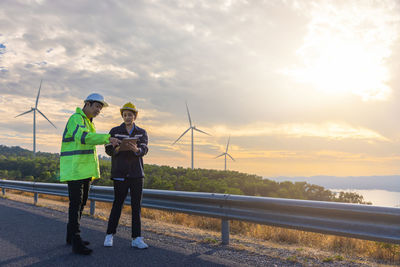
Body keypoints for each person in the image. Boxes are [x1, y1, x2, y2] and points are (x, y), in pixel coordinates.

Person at [60, 93, 120, 255]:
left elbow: (91, 140)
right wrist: (108, 138)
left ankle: (70, 236)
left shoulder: (88, 122)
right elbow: (83, 137)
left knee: (80, 204)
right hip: (74, 170)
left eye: (100, 108)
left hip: (84, 171)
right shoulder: (76, 119)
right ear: (87, 104)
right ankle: (76, 241)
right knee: (75, 205)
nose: (98, 110)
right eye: (96, 106)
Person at [103, 102, 149, 249]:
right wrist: (116, 149)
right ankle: (109, 235)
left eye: (130, 115)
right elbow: (108, 150)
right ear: (122, 116)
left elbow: (144, 149)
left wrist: (136, 149)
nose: (127, 117)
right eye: (125, 115)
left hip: (136, 174)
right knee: (117, 205)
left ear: (135, 116)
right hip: (120, 173)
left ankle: (136, 238)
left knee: (136, 207)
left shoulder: (141, 132)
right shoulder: (115, 131)